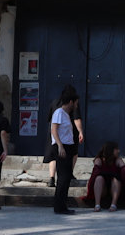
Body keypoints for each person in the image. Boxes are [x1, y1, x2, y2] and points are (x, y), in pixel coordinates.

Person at [49, 86, 80, 215]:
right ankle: (59, 206)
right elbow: (54, 130)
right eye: (76, 102)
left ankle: (63, 205)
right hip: (62, 147)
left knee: (67, 177)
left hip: (68, 146)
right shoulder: (59, 113)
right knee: (62, 177)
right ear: (71, 102)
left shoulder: (67, 115)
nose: (77, 105)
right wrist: (60, 145)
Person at [84, 140, 125, 211]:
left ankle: (113, 204)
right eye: (116, 149)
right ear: (111, 150)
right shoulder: (99, 160)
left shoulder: (118, 160)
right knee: (99, 178)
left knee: (116, 179)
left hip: (114, 189)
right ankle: (97, 205)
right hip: (103, 189)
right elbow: (94, 176)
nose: (119, 151)